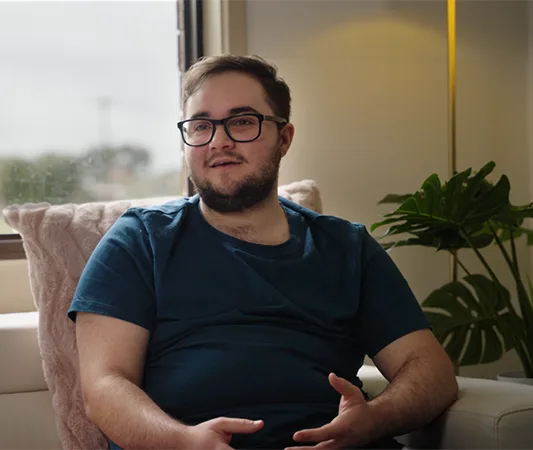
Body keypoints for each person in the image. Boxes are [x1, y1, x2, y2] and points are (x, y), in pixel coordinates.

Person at [68, 54, 459, 450]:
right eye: (201, 125)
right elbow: (103, 387)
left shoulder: (347, 247)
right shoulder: (139, 241)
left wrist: (374, 419)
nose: (218, 141)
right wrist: (183, 442)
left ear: (284, 138)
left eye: (241, 122)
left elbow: (431, 371)